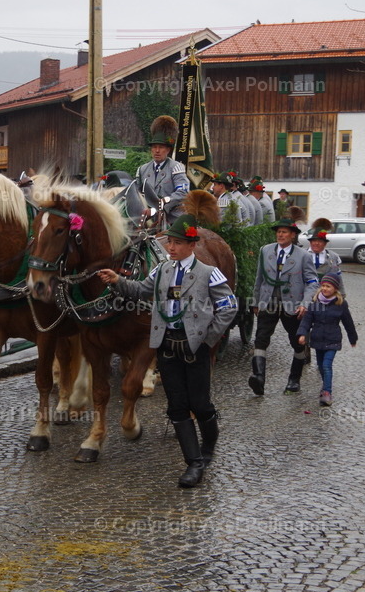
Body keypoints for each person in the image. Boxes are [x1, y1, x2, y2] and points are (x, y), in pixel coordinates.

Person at [96, 215, 237, 488]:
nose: (171, 247)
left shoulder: (209, 272)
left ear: (192, 245)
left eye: (178, 243)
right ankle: (193, 463)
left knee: (200, 404)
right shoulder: (161, 270)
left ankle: (208, 445)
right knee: (176, 406)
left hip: (195, 346)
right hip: (166, 345)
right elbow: (140, 291)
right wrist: (116, 280)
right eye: (170, 242)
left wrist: (208, 338)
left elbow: (229, 305)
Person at [248, 208, 319, 397]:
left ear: (293, 235)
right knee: (261, 339)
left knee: (297, 343)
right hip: (268, 302)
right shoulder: (265, 250)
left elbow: (312, 282)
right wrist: (256, 301)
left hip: (293, 306)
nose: (280, 235)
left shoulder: (303, 256)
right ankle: (259, 378)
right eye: (278, 232)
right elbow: (259, 278)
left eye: (284, 232)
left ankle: (294, 380)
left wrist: (305, 303)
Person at [297, 272, 358, 407]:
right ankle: (326, 387)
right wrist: (302, 334)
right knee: (320, 366)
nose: (325, 289)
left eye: (328, 287)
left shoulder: (340, 304)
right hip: (317, 339)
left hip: (332, 340)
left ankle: (327, 392)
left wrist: (352, 338)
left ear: (335, 289)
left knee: (326, 365)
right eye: (323, 286)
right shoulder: (315, 302)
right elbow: (307, 321)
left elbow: (348, 322)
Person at [136, 115, 190, 224]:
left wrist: (165, 202)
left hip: (172, 217)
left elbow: (183, 192)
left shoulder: (176, 167)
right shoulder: (142, 169)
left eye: (160, 147)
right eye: (154, 147)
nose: (157, 151)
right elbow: (137, 193)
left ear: (168, 150)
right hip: (149, 217)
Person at [307, 219, 344, 292]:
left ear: (325, 244)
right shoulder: (302, 254)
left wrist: (342, 294)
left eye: (320, 241)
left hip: (326, 293)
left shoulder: (334, 256)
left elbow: (338, 277)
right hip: (306, 293)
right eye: (314, 241)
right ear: (310, 242)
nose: (316, 243)